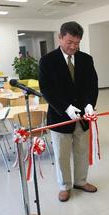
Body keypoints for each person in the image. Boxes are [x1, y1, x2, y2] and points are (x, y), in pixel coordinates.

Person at [39, 21, 99, 202]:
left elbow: (92, 85)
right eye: (69, 42)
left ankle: (81, 181)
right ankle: (65, 186)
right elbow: (46, 90)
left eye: (77, 43)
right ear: (60, 37)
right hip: (59, 117)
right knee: (62, 155)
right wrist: (65, 107)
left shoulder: (86, 59)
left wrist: (89, 104)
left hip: (82, 117)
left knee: (81, 151)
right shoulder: (47, 61)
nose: (73, 46)